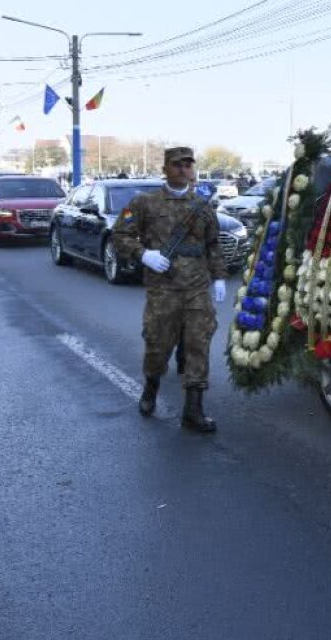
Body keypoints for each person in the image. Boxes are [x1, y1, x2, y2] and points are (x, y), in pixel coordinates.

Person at [112, 147, 227, 432]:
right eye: (177, 165)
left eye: (188, 165)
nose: (184, 169)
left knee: (198, 343)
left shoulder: (203, 205)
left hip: (196, 288)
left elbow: (213, 244)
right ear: (165, 169)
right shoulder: (144, 202)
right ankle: (151, 386)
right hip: (163, 289)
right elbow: (120, 234)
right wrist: (143, 254)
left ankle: (193, 410)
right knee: (157, 345)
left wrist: (219, 277)